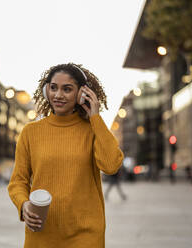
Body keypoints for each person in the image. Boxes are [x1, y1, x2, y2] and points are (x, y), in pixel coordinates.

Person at [7, 63, 124, 248]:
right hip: (42, 233)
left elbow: (111, 165)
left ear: (81, 94)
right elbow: (17, 181)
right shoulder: (30, 132)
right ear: (46, 91)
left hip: (86, 235)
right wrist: (24, 204)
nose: (58, 95)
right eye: (53, 88)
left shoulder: (93, 130)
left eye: (67, 89)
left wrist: (95, 117)